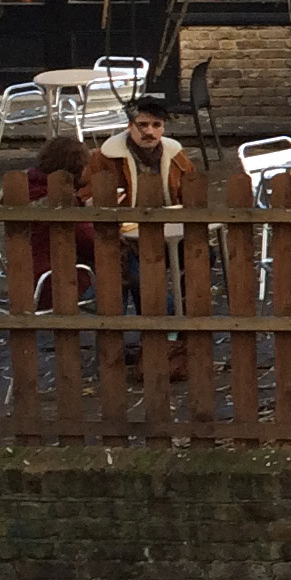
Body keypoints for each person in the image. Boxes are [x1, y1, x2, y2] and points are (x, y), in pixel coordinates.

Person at [93, 94, 206, 374]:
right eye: (143, 125)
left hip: (169, 232)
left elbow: (191, 194)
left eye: (156, 125)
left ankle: (186, 329)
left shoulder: (175, 156)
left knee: (204, 257)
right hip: (124, 238)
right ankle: (158, 334)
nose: (149, 132)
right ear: (130, 126)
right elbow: (85, 195)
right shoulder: (106, 158)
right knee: (138, 273)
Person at [8, 133, 103, 313]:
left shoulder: (25, 189)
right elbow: (92, 244)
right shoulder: (62, 201)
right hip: (55, 283)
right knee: (119, 275)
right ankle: (113, 332)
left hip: (19, 278)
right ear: (76, 168)